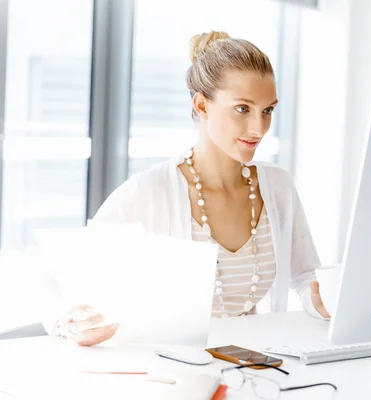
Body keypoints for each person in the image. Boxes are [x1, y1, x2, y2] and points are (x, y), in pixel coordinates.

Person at [44, 31, 330, 346]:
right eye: (242, 109)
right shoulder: (150, 190)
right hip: (172, 371)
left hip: (254, 365)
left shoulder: (277, 186)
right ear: (202, 105)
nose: (259, 128)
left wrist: (324, 302)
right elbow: (58, 281)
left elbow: (305, 279)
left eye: (268, 111)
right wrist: (70, 325)